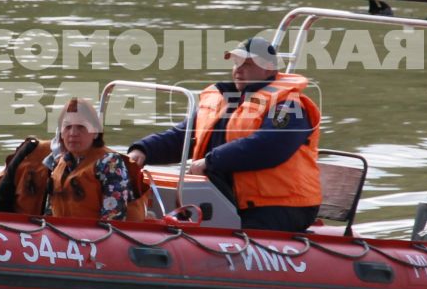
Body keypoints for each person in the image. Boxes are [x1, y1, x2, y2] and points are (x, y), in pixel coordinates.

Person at [127, 37, 321, 231]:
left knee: (241, 232)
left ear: (269, 68)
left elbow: (268, 147)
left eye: (248, 64)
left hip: (279, 204)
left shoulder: (289, 106)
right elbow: (183, 137)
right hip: (226, 197)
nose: (238, 69)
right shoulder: (224, 101)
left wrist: (210, 161)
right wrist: (143, 150)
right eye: (236, 63)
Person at [43, 98, 148, 222]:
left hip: (100, 237)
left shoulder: (110, 163)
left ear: (96, 132)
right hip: (62, 236)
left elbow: (114, 218)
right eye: (67, 127)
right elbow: (49, 214)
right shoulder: (59, 164)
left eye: (81, 127)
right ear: (60, 133)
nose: (73, 133)